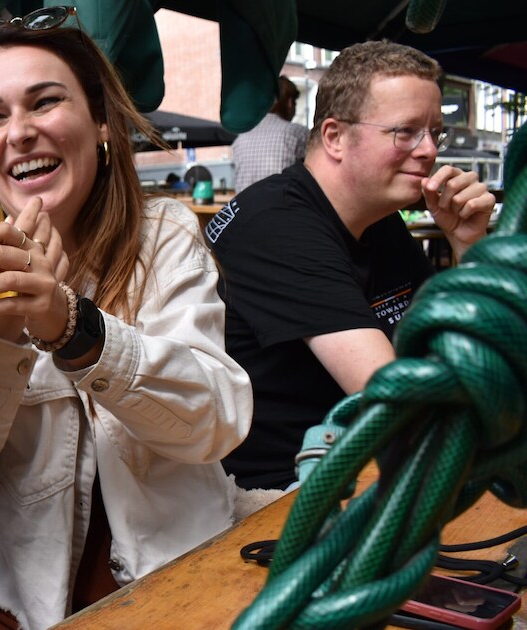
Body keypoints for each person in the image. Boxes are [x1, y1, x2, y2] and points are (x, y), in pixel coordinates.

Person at [0, 11, 252, 629]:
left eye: (44, 102)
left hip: (177, 579)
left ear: (101, 125)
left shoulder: (163, 233)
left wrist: (75, 329)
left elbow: (217, 423)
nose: (20, 132)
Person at [206, 41, 495, 491]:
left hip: (370, 462)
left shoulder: (378, 218)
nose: (429, 151)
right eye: (406, 132)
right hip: (276, 498)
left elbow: (449, 356)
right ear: (334, 136)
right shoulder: (276, 225)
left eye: (436, 132)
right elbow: (402, 402)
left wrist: (467, 244)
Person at [230, 76, 310, 193]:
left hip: (244, 209)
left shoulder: (241, 138)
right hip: (283, 209)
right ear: (289, 103)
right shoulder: (297, 133)